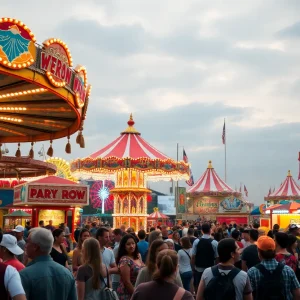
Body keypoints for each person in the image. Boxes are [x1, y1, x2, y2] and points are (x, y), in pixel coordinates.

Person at [20, 227, 77, 300]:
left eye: (27, 242)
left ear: (35, 247)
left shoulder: (24, 275)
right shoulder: (67, 274)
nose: (25, 245)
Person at [248, 236, 300, 300]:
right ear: (274, 250)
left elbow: (248, 296)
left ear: (259, 251)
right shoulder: (288, 270)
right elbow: (297, 294)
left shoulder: (252, 272)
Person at [191, 223, 218, 292]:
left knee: (198, 286)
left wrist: (192, 267)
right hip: (211, 268)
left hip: (198, 268)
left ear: (202, 230)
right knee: (210, 287)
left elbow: (193, 256)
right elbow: (217, 258)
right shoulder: (214, 242)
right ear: (210, 230)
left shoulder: (196, 241)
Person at [116, 234, 145, 299]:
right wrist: (136, 295)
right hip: (128, 294)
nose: (131, 246)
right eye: (128, 244)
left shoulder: (137, 257)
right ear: (124, 246)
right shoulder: (125, 260)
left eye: (133, 243)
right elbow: (127, 282)